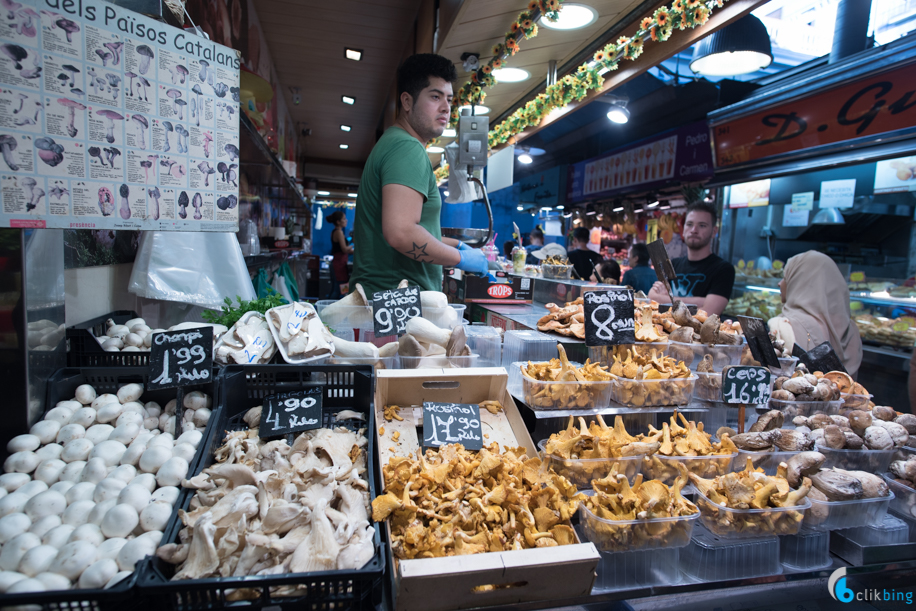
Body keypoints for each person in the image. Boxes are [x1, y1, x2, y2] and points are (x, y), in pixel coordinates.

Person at [349, 54, 489, 296]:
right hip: (394, 304)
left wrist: (458, 245)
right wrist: (459, 259)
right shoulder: (407, 148)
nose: (446, 107)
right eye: (435, 97)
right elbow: (401, 233)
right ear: (406, 101)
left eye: (449, 99)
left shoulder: (393, 142)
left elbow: (410, 231)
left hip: (386, 300)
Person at [768, 251, 863, 378]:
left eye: (786, 277)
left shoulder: (783, 327)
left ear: (800, 281)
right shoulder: (852, 331)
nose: (780, 283)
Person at [648, 202, 734, 315]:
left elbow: (707, 313)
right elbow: (651, 298)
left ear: (714, 232)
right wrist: (700, 302)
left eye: (702, 225)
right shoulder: (673, 263)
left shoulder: (723, 269)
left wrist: (666, 300)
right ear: (683, 229)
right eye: (689, 224)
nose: (694, 230)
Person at [328, 210, 353, 297]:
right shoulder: (339, 232)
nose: (346, 220)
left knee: (338, 288)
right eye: (344, 219)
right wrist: (353, 245)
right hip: (338, 264)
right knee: (338, 289)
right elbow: (344, 249)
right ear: (338, 222)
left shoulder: (336, 231)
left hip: (339, 263)